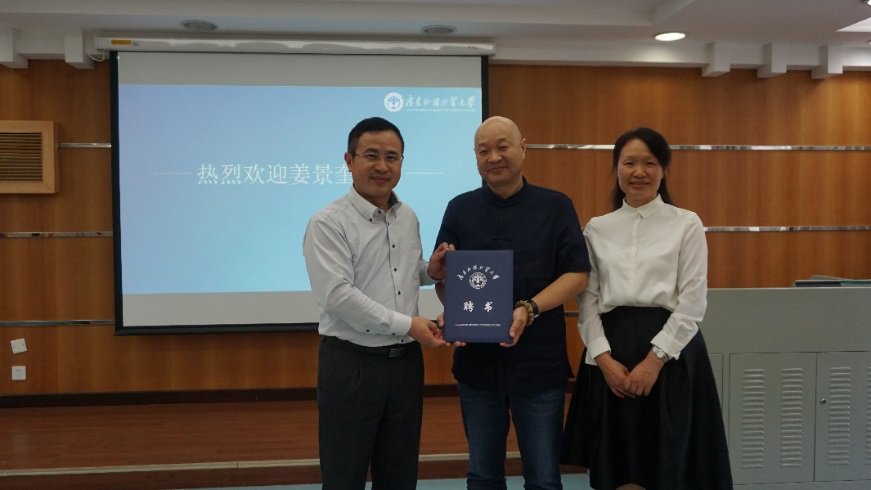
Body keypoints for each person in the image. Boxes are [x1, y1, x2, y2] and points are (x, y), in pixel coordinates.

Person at [561, 128, 733, 489]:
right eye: (629, 163)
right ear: (617, 169)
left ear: (663, 169)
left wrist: (655, 361)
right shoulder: (597, 228)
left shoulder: (686, 223)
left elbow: (692, 302)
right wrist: (603, 360)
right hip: (611, 355)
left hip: (671, 357)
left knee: (668, 466)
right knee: (617, 466)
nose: (639, 172)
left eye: (650, 163)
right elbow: (587, 301)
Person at [434, 116, 591, 490]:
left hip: (539, 365)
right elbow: (447, 284)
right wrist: (441, 281)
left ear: (522, 148)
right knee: (482, 475)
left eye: (502, 147)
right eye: (483, 151)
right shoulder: (459, 209)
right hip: (477, 366)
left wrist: (529, 308)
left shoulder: (555, 206)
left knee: (544, 478)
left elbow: (577, 274)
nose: (493, 157)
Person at [303, 116, 453, 489]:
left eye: (392, 157)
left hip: (405, 366)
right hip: (351, 365)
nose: (382, 166)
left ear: (401, 162)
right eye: (371, 155)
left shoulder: (407, 216)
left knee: (399, 475)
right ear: (349, 160)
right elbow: (337, 295)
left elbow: (399, 272)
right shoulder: (328, 223)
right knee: (344, 476)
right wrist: (408, 325)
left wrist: (429, 272)